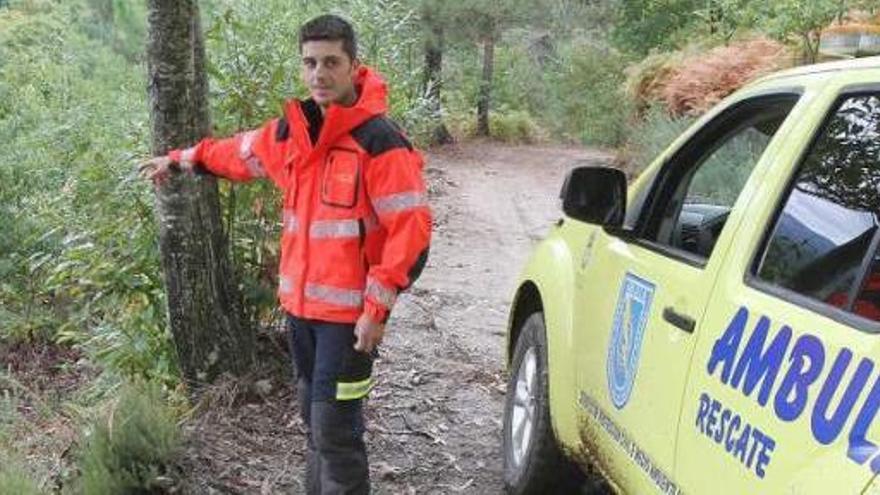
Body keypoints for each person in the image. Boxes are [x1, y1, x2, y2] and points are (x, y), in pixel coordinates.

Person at [140, 14, 432, 494]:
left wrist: (377, 310)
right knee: (315, 430)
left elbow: (412, 232)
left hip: (348, 322)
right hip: (300, 316)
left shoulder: (380, 142)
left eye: (331, 62)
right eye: (310, 62)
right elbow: (234, 153)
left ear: (353, 65)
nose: (320, 73)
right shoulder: (291, 133)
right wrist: (179, 159)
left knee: (337, 435)